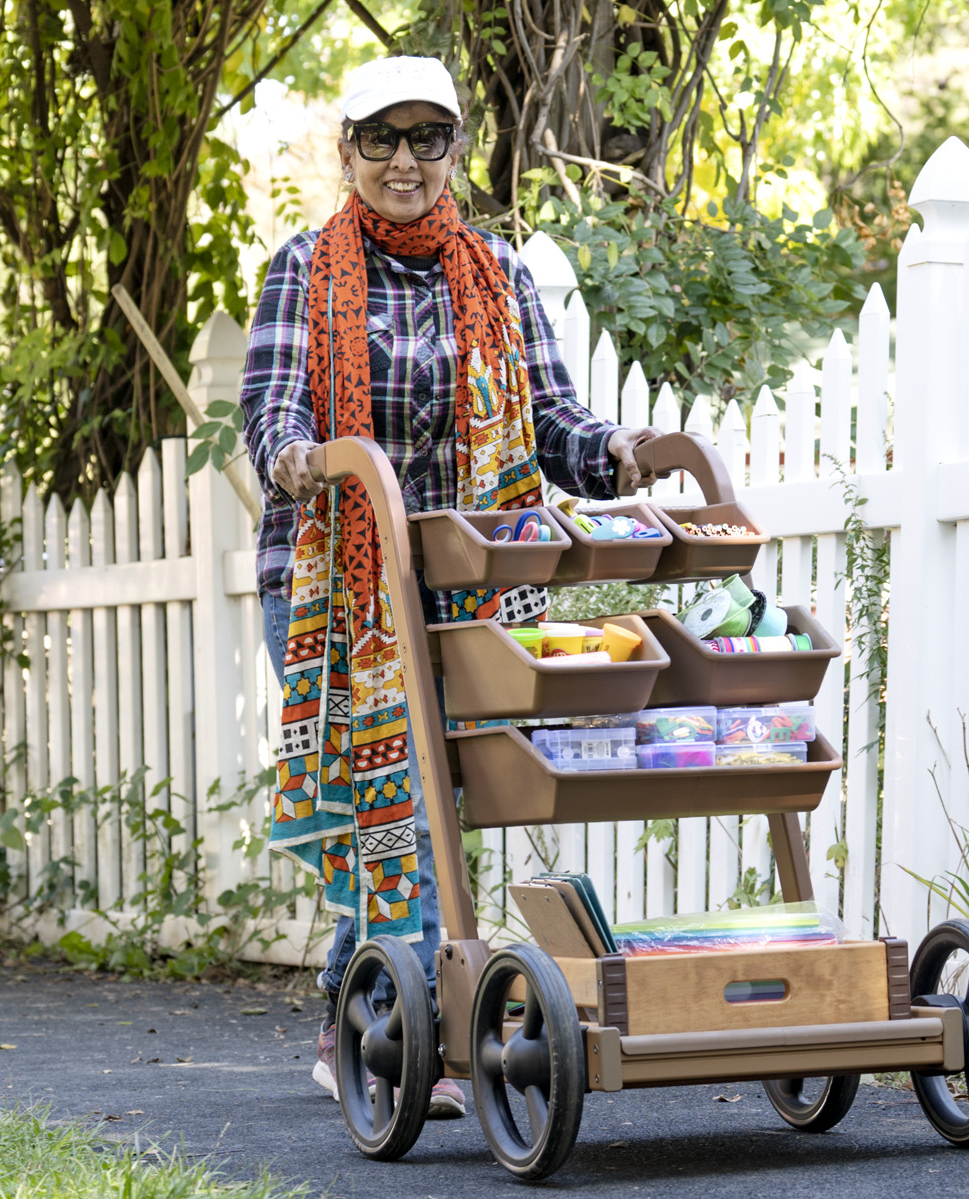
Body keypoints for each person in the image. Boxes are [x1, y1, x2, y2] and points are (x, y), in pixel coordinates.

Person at [240, 55, 658, 1118]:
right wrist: (299, 458)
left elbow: (554, 420)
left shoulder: (497, 273)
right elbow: (273, 412)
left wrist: (618, 449)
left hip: (464, 579)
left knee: (432, 806)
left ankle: (362, 1011)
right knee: (404, 816)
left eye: (429, 137)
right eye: (382, 137)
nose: (405, 160)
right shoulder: (304, 268)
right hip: (336, 582)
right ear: (348, 151)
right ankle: (405, 1035)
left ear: (456, 151)